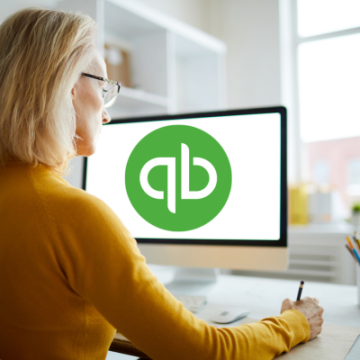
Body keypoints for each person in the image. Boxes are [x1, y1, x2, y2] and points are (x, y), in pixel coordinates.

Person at [0, 8, 324, 360]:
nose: (107, 113)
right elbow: (205, 352)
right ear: (67, 86)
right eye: (103, 86)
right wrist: (295, 321)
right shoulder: (73, 215)